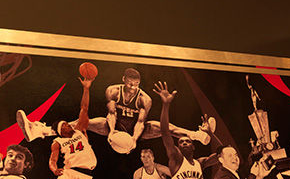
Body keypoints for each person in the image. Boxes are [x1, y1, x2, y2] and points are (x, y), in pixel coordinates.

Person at [16, 68, 212, 154]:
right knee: (85, 122)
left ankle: (197, 136)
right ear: (124, 80)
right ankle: (40, 132)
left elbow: (142, 122)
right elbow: (111, 114)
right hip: (115, 126)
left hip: (137, 130)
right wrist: (112, 133)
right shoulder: (112, 90)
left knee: (163, 127)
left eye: (137, 84)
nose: (134, 87)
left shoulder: (145, 98)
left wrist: (133, 141)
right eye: (130, 83)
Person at [31, 74, 98, 179]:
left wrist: (86, 88)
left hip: (86, 177)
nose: (68, 125)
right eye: (64, 125)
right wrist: (54, 170)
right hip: (69, 173)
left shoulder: (80, 131)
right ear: (59, 131)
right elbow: (52, 160)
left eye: (67, 123)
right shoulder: (58, 142)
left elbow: (84, 108)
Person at [152, 81, 220, 179]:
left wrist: (210, 134)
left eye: (187, 141)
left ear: (193, 146)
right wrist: (166, 105)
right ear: (178, 147)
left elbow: (223, 154)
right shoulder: (175, 160)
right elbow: (164, 131)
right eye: (181, 142)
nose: (183, 142)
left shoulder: (200, 163)